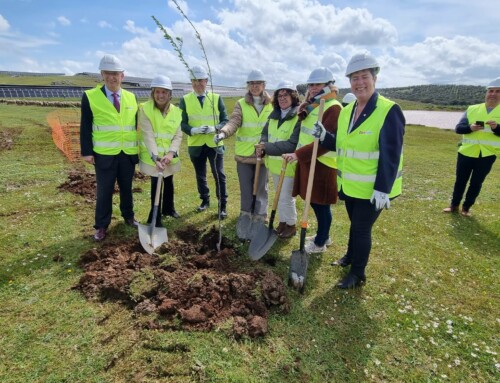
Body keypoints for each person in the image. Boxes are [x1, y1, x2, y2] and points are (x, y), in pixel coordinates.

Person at [313, 52, 405, 289]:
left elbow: (391, 154)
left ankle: (357, 274)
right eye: (354, 78)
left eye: (364, 76)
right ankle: (350, 257)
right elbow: (343, 144)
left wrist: (383, 189)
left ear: (374, 78)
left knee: (361, 229)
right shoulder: (347, 110)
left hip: (375, 189)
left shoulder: (388, 110)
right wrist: (325, 137)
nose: (359, 82)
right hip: (352, 185)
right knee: (355, 225)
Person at [80, 54, 139, 241]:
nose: (112, 77)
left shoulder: (131, 97)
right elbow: (86, 125)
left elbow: (136, 125)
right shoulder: (90, 97)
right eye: (108, 73)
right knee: (105, 190)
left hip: (127, 153)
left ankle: (129, 217)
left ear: (123, 76)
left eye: (116, 74)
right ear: (102, 75)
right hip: (104, 154)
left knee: (127, 188)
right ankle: (101, 226)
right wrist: (87, 151)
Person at [282, 68, 342, 253]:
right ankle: (323, 235)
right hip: (310, 162)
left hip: (323, 164)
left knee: (321, 204)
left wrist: (298, 154)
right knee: (315, 202)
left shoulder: (333, 107)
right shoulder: (314, 106)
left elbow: (325, 144)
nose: (313, 88)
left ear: (328, 85)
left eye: (317, 84)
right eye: (311, 85)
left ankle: (321, 242)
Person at [214, 69, 273, 236]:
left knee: (261, 188)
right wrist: (223, 132)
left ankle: (260, 216)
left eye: (258, 83)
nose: (254, 86)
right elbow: (234, 121)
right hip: (244, 156)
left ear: (264, 85)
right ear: (248, 86)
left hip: (263, 154)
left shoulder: (272, 104)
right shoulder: (241, 103)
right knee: (246, 188)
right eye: (251, 83)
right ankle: (246, 215)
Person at [443, 77, 500, 216]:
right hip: (466, 152)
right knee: (460, 181)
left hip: (487, 154)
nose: (493, 94)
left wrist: (497, 128)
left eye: (497, 91)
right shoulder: (472, 109)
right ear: (486, 93)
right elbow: (458, 128)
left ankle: (466, 208)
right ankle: (454, 205)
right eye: (491, 91)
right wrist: (470, 128)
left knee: (476, 183)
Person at [179, 65, 229, 218]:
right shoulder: (185, 100)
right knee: (200, 175)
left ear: (206, 81)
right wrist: (192, 130)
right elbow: (182, 123)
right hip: (196, 145)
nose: (197, 84)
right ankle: (205, 200)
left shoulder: (216, 98)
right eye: (194, 81)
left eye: (200, 80)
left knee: (219, 174)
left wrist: (215, 128)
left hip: (214, 143)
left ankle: (222, 206)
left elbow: (225, 120)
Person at [256, 80, 301, 238]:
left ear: (293, 96)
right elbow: (265, 133)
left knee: (286, 198)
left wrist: (266, 147)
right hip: (275, 165)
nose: (282, 98)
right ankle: (282, 222)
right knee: (279, 195)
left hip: (289, 165)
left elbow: (291, 144)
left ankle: (291, 225)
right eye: (279, 95)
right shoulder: (274, 115)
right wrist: (262, 143)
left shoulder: (298, 116)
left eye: (286, 94)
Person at [138, 75, 183, 227]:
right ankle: (154, 216)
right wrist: (156, 157)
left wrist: (170, 153)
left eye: (164, 92)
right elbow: (148, 135)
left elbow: (178, 135)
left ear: (170, 94)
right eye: (157, 92)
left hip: (169, 156)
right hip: (153, 156)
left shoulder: (176, 111)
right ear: (153, 93)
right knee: (156, 182)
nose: (160, 95)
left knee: (169, 180)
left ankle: (169, 209)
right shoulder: (145, 109)